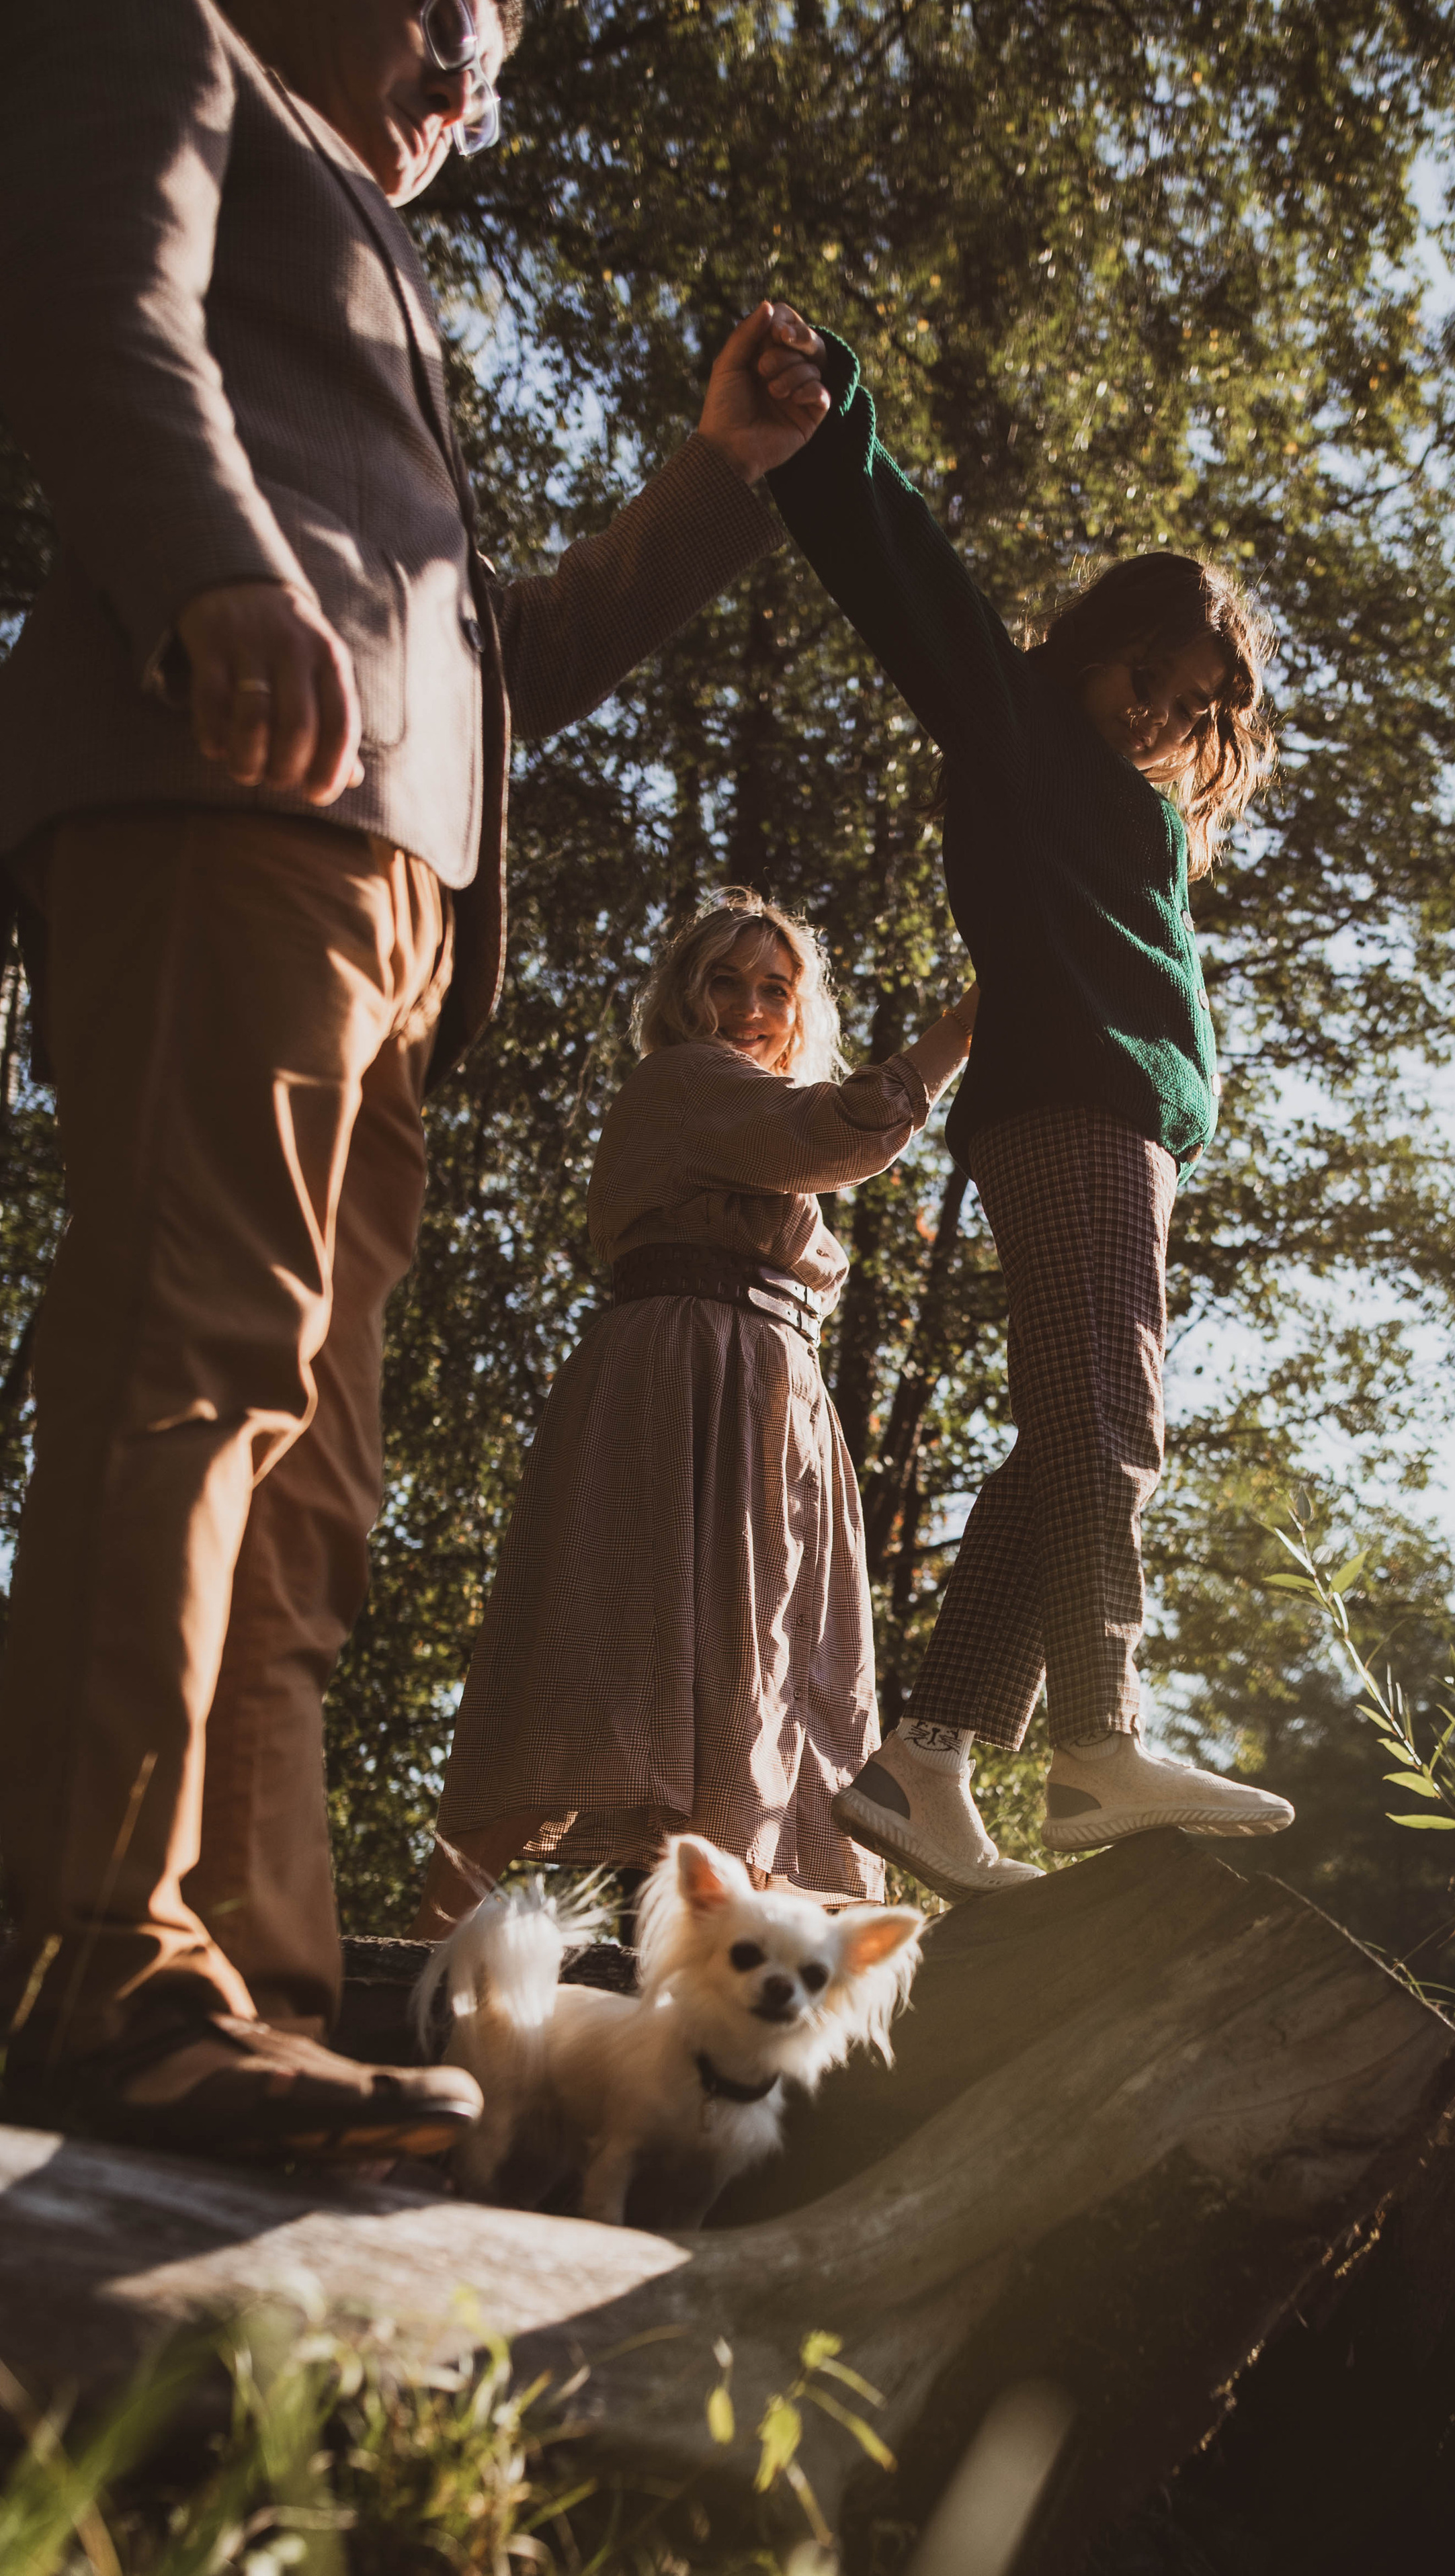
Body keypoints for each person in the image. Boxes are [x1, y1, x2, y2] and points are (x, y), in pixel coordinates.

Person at [0, 0, 825, 2163]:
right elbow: (89, 302)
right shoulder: (170, 46)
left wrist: (717, 485)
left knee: (315, 1470)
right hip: (220, 788)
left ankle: (248, 1995)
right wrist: (203, 563)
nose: (470, 77)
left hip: (400, 892)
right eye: (452, 16)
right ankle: (102, 1960)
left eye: (504, 67)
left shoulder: (385, 259)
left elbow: (490, 658)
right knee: (193, 1368)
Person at [751, 309, 1296, 1898]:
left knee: (1059, 1439)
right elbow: (902, 573)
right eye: (1149, 670)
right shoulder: (1015, 729)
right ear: (1091, 641)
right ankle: (1095, 1741)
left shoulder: (1132, 821)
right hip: (1062, 1111)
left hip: (1117, 1132)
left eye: (1196, 706)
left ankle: (930, 1755)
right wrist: (829, 415)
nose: (1159, 713)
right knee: (1113, 1427)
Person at [412, 890, 1036, 1940]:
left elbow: (809, 1143)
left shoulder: (744, 1109)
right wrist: (961, 1029)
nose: (750, 1005)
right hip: (683, 1381)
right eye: (726, 981)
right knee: (602, 1659)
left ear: (801, 1013)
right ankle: (424, 1950)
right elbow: (835, 1131)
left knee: (774, 1685)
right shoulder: (689, 1081)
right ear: (684, 997)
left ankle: (759, 1976)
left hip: (763, 1388)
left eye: (774, 989)